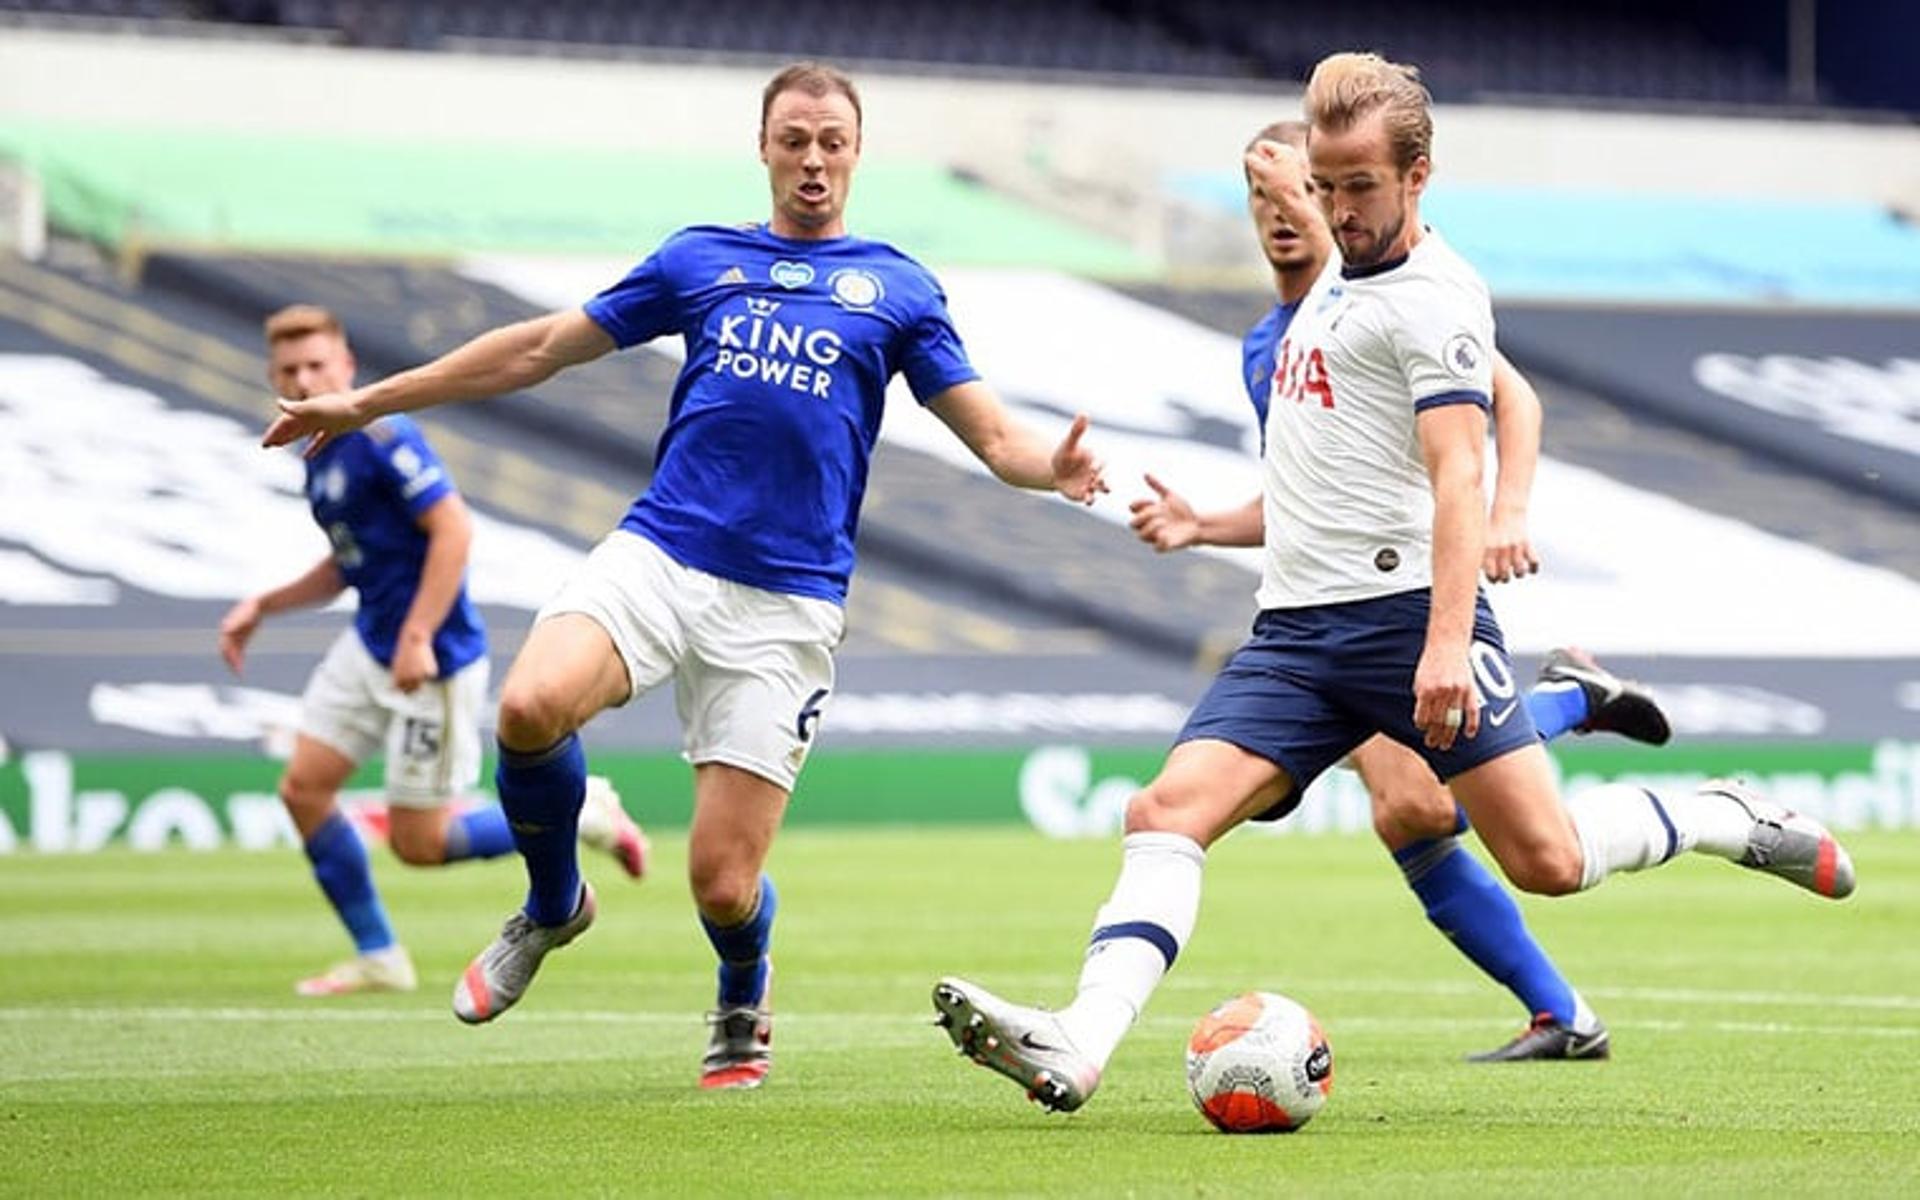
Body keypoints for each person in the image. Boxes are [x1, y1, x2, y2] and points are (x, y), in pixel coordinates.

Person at [933, 51, 1855, 1114]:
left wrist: (1447, 638)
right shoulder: (1320, 285)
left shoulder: (1436, 297)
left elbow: (1459, 468)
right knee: (1166, 809)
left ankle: (1716, 812)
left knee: (1547, 860)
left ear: (1419, 178)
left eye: (1357, 188)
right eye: (1323, 189)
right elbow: (1325, 476)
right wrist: (1201, 525)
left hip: (1403, 616)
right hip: (1293, 633)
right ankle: (1080, 1041)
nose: (1336, 209)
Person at [261, 63, 1108, 1089]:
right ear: (763, 146)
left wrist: (1050, 472)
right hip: (663, 551)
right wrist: (365, 402)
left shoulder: (897, 288)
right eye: (794, 137)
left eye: (832, 140)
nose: (813, 158)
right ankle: (552, 904)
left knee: (721, 883)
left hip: (787, 604)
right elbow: (536, 349)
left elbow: (995, 437)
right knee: (528, 706)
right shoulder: (698, 259)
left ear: (856, 153)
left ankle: (744, 986)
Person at [1125, 119, 1670, 1062]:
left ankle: (1567, 709)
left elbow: (1515, 399)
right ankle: (1565, 1012)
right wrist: (1204, 525)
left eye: (1299, 190)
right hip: (1320, 606)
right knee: (1414, 809)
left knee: (1424, 806)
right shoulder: (1270, 342)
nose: (1283, 214)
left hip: (1411, 600)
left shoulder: (1394, 291)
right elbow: (1306, 497)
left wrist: (1509, 509)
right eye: (1262, 198)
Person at [222, 305, 649, 997]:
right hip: (372, 646)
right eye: (290, 370)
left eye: (316, 365)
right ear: (275, 377)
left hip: (433, 660)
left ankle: (585, 811)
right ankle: (379, 957)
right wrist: (263, 606)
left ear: (346, 368)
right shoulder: (319, 456)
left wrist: (419, 635)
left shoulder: (386, 435)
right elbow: (346, 564)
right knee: (303, 789)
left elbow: (453, 531)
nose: (304, 378)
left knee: (418, 845)